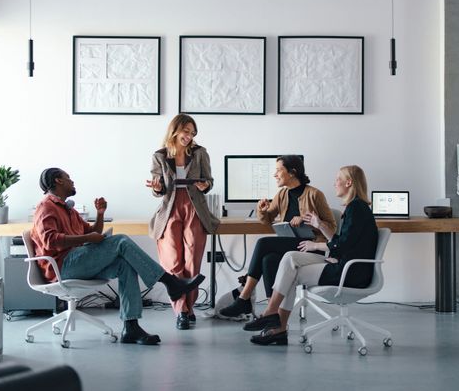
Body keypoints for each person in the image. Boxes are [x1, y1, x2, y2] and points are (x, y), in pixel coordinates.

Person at [31, 167, 205, 346]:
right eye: (68, 178)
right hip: (63, 266)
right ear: (58, 181)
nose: (72, 181)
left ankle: (131, 327)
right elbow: (50, 241)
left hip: (77, 262)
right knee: (121, 241)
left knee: (124, 265)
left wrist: (100, 214)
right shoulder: (46, 206)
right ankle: (170, 282)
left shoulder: (68, 209)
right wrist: (87, 238)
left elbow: (93, 232)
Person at [246, 165, 378, 346]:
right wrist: (319, 224)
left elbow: (343, 245)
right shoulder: (354, 208)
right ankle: (275, 322)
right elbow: (343, 241)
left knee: (290, 267)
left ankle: (275, 321)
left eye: (338, 179)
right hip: (343, 263)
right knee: (290, 258)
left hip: (350, 272)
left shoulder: (357, 209)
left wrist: (316, 245)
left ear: (349, 182)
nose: (334, 183)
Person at [219, 155, 336, 321]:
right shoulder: (282, 194)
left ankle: (243, 298)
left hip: (311, 246)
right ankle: (271, 314)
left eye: (278, 170)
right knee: (269, 259)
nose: (274, 174)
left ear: (292, 172)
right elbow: (266, 220)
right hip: (290, 244)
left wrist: (307, 221)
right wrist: (261, 209)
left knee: (263, 243)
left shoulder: (315, 194)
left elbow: (332, 227)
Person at [146, 114, 219, 330]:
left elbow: (209, 180)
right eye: (186, 131)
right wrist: (157, 188)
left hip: (194, 207)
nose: (189, 136)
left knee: (192, 262)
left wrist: (206, 185)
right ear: (175, 130)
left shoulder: (200, 153)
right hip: (170, 208)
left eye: (192, 133)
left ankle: (189, 306)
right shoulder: (159, 155)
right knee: (172, 262)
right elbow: (158, 189)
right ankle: (181, 310)